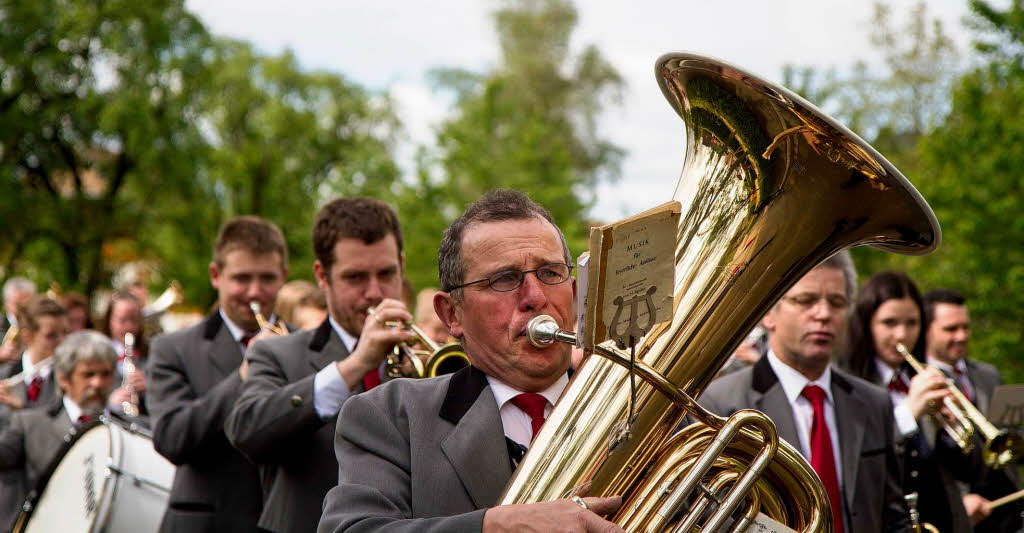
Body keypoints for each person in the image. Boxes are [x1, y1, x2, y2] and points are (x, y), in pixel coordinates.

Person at [317, 190, 624, 533]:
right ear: (452, 314)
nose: (535, 297)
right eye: (505, 279)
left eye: (550, 273)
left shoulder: (636, 402)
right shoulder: (389, 415)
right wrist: (497, 526)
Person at [226, 197, 415, 533]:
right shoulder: (278, 354)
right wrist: (354, 366)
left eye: (386, 274)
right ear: (322, 276)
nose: (374, 292)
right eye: (355, 277)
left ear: (402, 264)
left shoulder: (425, 358)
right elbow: (246, 431)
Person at [699, 252, 909, 533]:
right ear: (769, 314)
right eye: (805, 300)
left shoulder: (875, 402)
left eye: (836, 302)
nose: (823, 314)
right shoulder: (719, 403)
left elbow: (893, 517)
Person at [147, 216, 288, 533]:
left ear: (284, 277)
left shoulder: (305, 344)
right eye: (242, 278)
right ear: (215, 275)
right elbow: (171, 438)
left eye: (267, 278)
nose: (255, 292)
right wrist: (245, 374)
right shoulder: (173, 348)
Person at [840, 271, 972, 532]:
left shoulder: (926, 376)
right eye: (889, 323)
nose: (902, 334)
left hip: (940, 520)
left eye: (912, 323)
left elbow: (970, 470)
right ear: (867, 324)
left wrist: (949, 432)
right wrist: (909, 414)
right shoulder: (848, 384)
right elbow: (855, 463)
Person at [923, 289, 1021, 532]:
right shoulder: (920, 381)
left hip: (1007, 508)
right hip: (962, 512)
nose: (962, 336)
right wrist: (958, 501)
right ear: (927, 330)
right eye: (950, 329)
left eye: (965, 327)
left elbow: (1010, 435)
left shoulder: (989, 374)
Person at [0, 330, 117, 530]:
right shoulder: (29, 424)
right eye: (88, 374)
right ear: (64, 378)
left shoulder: (123, 430)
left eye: (105, 374)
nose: (97, 383)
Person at [0, 296, 68, 411]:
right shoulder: (4, 375)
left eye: (65, 333)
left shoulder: (68, 379)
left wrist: (23, 408)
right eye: (51, 335)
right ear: (27, 336)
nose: (62, 342)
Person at [101, 290, 150, 418]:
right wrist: (108, 403)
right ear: (109, 321)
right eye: (122, 320)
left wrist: (149, 387)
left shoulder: (151, 355)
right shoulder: (96, 355)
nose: (129, 327)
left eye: (134, 320)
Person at [0, 278, 35, 363]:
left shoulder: (38, 324)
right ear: (6, 304)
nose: (23, 309)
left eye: (28, 303)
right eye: (18, 304)